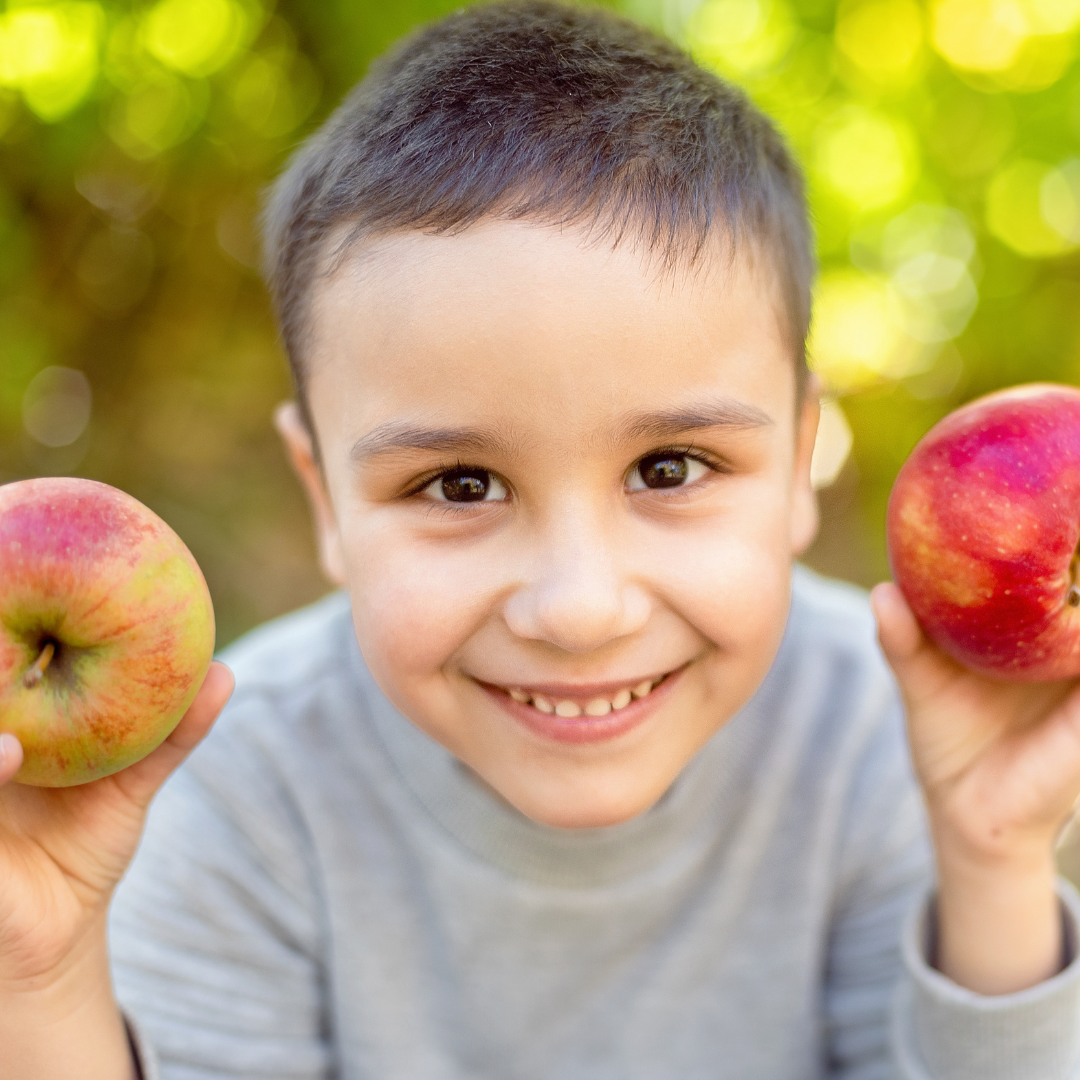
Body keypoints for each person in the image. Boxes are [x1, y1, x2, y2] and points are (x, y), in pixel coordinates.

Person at [3, 3, 1080, 1077]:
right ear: (324, 498)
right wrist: (39, 984)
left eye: (670, 469)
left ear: (801, 463)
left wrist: (991, 865)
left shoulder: (872, 735)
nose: (578, 608)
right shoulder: (235, 791)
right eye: (459, 483)